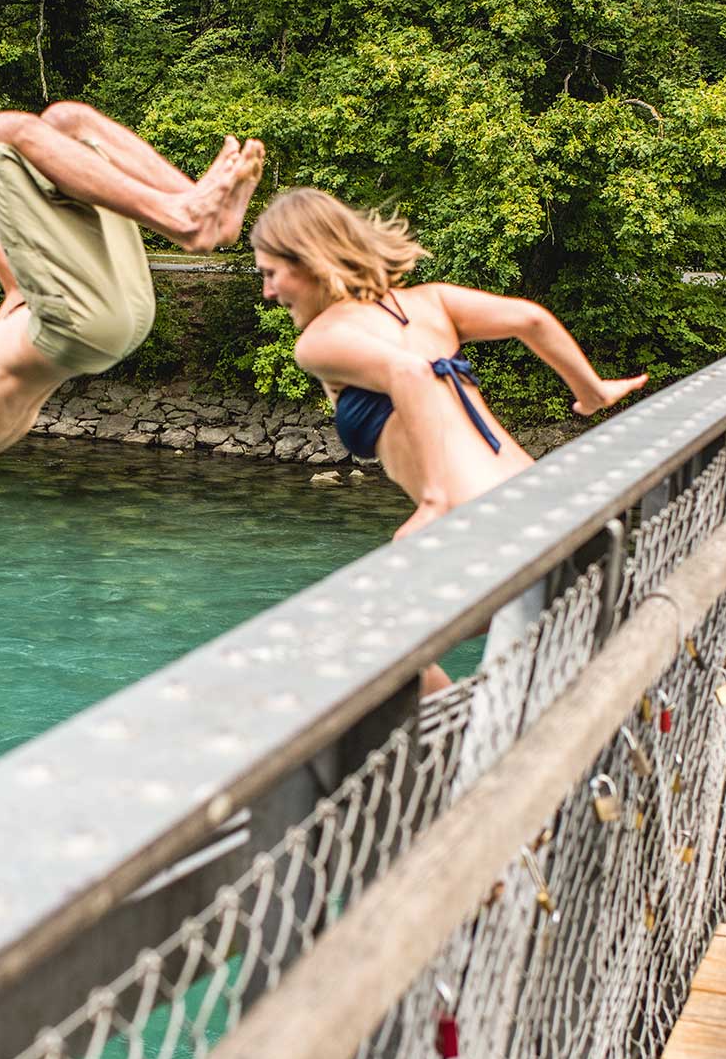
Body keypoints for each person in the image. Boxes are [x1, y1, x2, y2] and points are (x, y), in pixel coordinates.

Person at [250, 187, 647, 688]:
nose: (267, 291)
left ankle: (456, 734)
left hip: (480, 526)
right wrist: (593, 392)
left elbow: (410, 374)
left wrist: (436, 501)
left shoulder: (319, 341)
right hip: (545, 506)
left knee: (351, 642)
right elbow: (531, 318)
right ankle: (470, 723)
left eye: (270, 273)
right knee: (523, 678)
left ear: (307, 261)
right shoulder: (432, 300)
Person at [0, 102, 265, 559]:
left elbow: (20, 290)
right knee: (4, 132)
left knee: (66, 127)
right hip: (78, 324)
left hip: (119, 326)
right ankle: (187, 219)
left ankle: (211, 219)